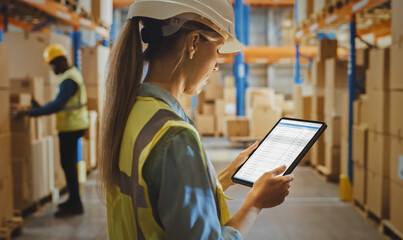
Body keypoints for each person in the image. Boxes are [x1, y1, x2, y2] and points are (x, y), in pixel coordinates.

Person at [99, 0, 294, 239]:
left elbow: (158, 192)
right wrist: (255, 203)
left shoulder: (133, 112)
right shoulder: (175, 136)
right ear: (193, 43)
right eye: (218, 49)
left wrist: (225, 177)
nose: (215, 66)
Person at [19, 44, 89, 217]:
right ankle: (74, 200)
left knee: (68, 165)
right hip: (73, 126)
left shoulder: (69, 79)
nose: (51, 68)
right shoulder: (70, 76)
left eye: (52, 64)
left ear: (59, 61)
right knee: (68, 164)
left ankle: (76, 203)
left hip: (71, 128)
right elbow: (59, 101)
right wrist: (40, 108)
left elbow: (58, 105)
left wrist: (30, 112)